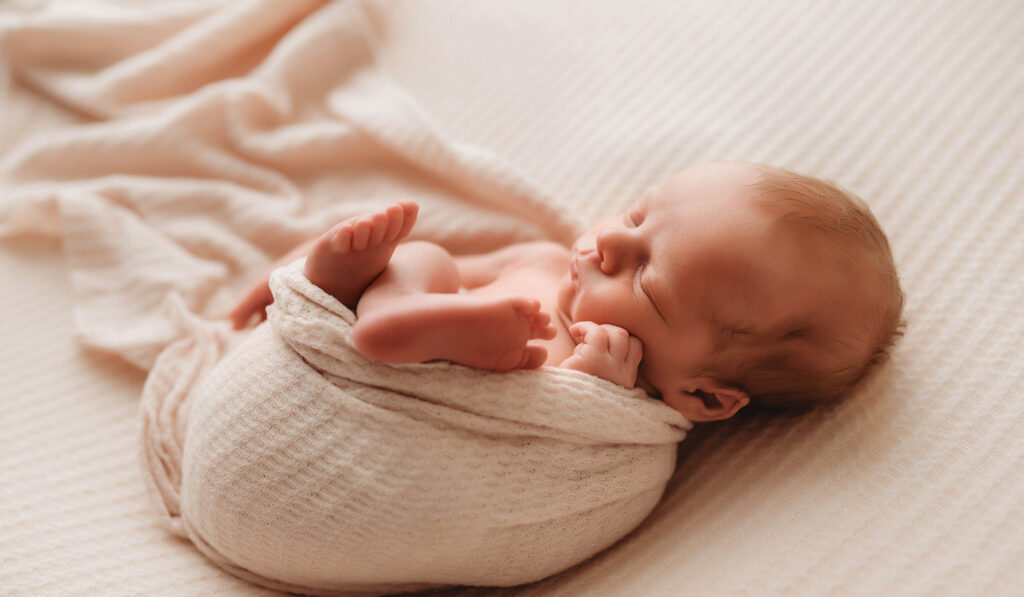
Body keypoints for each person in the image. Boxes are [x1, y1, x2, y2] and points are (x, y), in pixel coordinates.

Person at [229, 161, 904, 422]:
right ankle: (354, 295)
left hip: (444, 406)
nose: (608, 243)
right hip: (394, 326)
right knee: (425, 255)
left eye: (645, 277)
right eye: (636, 217)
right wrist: (304, 284)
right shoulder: (543, 258)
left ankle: (419, 326)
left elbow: (541, 453)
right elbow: (424, 261)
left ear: (702, 394)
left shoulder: (625, 395)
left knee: (434, 271)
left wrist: (588, 389)